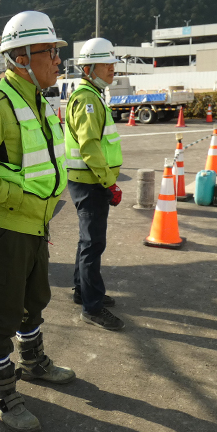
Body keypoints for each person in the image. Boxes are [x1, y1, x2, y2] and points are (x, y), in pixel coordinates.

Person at [0, 10, 75, 432]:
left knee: (35, 298)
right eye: (51, 52)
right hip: (4, 227)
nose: (58, 61)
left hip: (34, 225)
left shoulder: (39, 100)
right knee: (2, 314)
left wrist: (37, 212)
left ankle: (34, 361)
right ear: (22, 56)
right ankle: (3, 391)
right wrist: (21, 201)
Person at [64, 38, 125, 331]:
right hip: (91, 182)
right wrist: (109, 183)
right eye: (106, 64)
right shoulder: (88, 98)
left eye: (113, 63)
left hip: (88, 181)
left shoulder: (93, 94)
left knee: (86, 240)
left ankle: (82, 291)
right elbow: (89, 147)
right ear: (88, 68)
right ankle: (92, 306)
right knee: (93, 243)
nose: (112, 69)